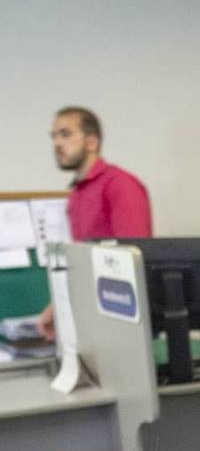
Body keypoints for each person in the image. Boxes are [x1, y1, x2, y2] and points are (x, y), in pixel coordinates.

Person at [38, 107, 153, 339]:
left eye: (65, 134)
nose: (57, 143)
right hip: (93, 314)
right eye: (54, 136)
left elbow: (132, 258)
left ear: (91, 141)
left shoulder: (120, 185)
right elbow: (82, 263)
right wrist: (58, 304)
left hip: (122, 315)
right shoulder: (77, 194)